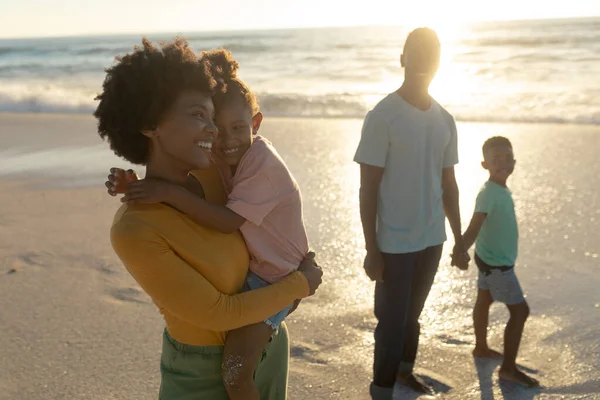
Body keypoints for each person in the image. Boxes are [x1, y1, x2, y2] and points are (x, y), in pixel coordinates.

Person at [95, 37, 323, 399]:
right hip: (200, 374)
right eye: (200, 116)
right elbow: (219, 313)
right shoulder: (134, 229)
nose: (215, 131)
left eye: (212, 117)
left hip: (266, 349)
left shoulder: (218, 177)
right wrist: (301, 284)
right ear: (152, 125)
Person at [353, 27, 469, 399]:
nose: (423, 60)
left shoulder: (444, 119)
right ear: (402, 58)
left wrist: (459, 238)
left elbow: (449, 184)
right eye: (415, 52)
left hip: (432, 239)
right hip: (393, 244)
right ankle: (381, 390)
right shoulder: (383, 116)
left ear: (439, 63)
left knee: (413, 318)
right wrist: (372, 249)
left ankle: (405, 374)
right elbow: (367, 188)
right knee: (390, 323)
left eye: (430, 53)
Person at [462, 136, 539, 387]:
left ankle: (481, 347)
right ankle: (508, 368)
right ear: (485, 164)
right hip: (498, 266)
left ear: (514, 161)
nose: (503, 163)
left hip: (488, 261)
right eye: (496, 160)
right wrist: (459, 250)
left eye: (507, 158)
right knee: (520, 311)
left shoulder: (498, 189)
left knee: (484, 300)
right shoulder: (488, 194)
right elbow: (474, 226)